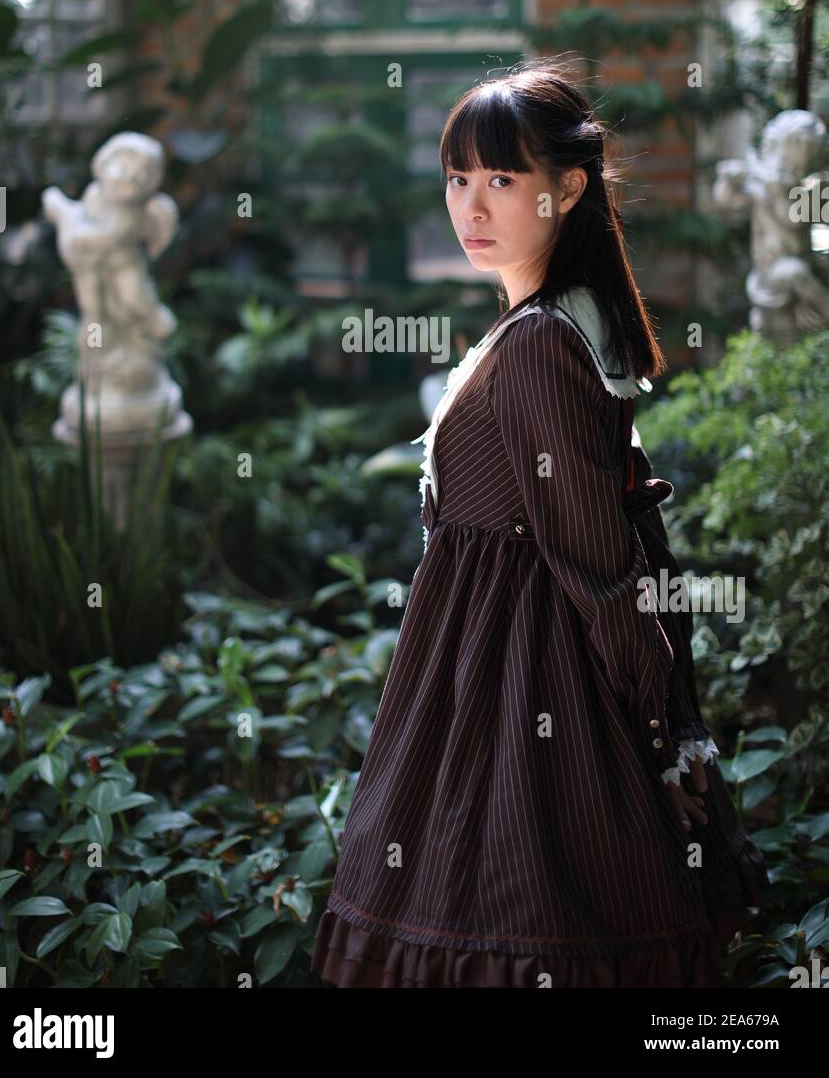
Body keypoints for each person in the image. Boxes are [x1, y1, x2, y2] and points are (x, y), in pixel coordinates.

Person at [310, 62, 768, 988]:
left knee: (517, 912)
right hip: (489, 662)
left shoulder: (539, 347)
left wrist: (658, 733)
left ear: (569, 187)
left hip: (523, 678)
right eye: (457, 178)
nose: (471, 207)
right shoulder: (553, 325)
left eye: (502, 179)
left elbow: (600, 561)